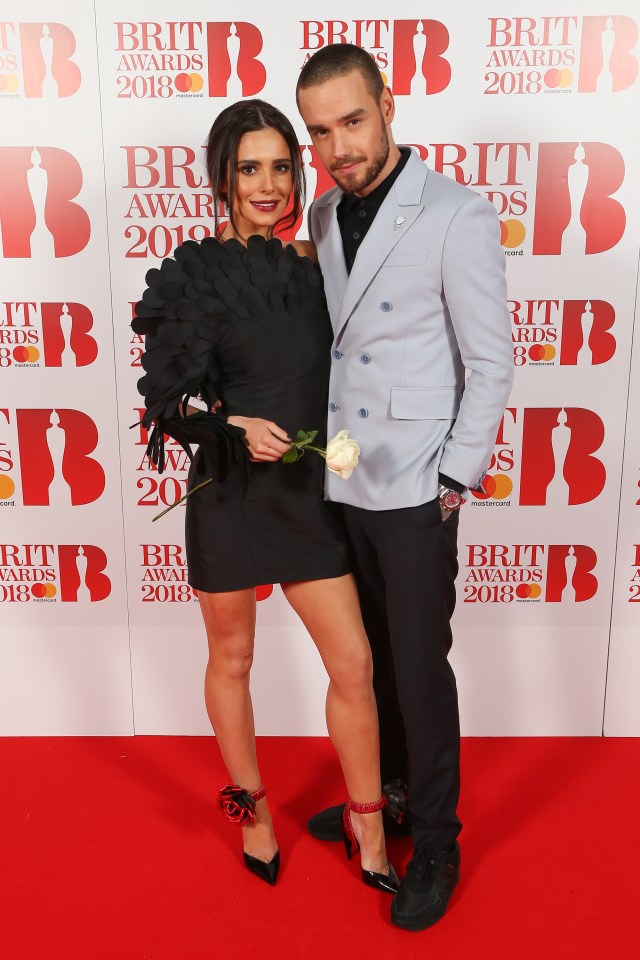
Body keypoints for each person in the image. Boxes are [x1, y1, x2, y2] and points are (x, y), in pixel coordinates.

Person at [132, 99, 398, 892]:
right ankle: (253, 812)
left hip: (306, 493)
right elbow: (167, 402)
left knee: (353, 659)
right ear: (222, 175)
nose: (270, 184)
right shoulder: (190, 275)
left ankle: (367, 819)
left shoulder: (321, 267)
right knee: (234, 657)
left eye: (283, 165)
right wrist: (229, 420)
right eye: (250, 168)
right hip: (233, 492)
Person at [296, 45, 514, 929]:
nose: (339, 147)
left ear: (388, 104)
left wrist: (455, 476)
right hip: (345, 473)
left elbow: (492, 363)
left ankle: (442, 835)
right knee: (367, 657)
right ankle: (380, 793)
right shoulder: (319, 211)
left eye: (352, 120)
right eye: (320, 132)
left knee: (420, 669)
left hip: (420, 481)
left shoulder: (456, 212)